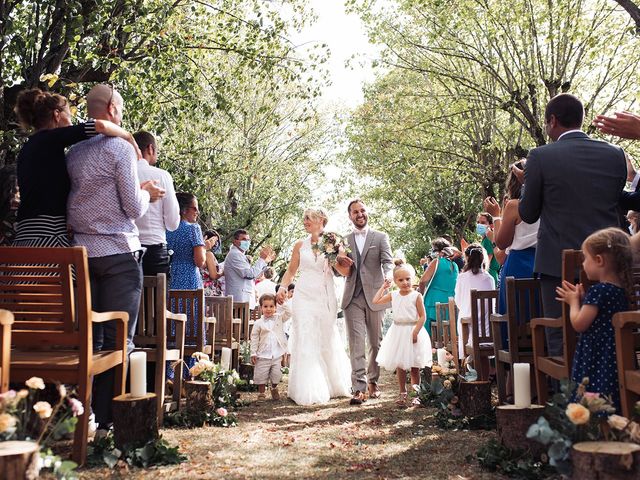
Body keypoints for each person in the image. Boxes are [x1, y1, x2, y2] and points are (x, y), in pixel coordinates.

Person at [66, 84, 164, 432]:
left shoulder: (74, 152)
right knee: (119, 338)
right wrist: (147, 193)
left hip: (82, 255)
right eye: (120, 108)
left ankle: (86, 416)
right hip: (120, 253)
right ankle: (109, 420)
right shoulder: (120, 150)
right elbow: (131, 207)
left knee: (91, 338)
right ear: (111, 109)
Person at [518, 93, 627, 357]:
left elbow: (528, 213)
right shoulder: (615, 154)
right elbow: (617, 202)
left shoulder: (540, 157)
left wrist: (528, 185)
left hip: (558, 265)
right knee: (610, 335)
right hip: (609, 264)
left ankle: (566, 397)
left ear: (552, 120)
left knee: (560, 337)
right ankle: (607, 394)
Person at [12, 88, 141, 248]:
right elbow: (99, 126)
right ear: (57, 115)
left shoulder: (27, 148)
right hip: (49, 235)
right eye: (69, 116)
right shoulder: (50, 138)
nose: (71, 123)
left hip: (24, 235)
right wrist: (128, 137)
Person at [276, 208, 352, 405]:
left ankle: (333, 385)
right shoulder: (300, 245)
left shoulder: (333, 242)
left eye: (309, 218)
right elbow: (291, 270)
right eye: (304, 218)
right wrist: (283, 287)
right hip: (303, 294)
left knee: (326, 335)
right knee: (306, 335)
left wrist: (336, 256)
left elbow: (344, 272)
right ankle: (307, 388)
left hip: (324, 293)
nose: (305, 221)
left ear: (321, 220)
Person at [555, 228, 632, 411]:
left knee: (593, 393)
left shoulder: (598, 291)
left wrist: (573, 302)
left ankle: (593, 431)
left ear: (599, 261)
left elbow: (580, 324)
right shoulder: (620, 290)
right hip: (614, 354)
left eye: (585, 259)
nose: (583, 264)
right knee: (609, 395)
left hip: (597, 355)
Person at [340, 199, 394, 404]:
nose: (359, 214)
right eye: (355, 212)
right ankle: (358, 388)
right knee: (356, 343)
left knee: (375, 342)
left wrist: (389, 275)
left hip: (376, 295)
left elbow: (388, 261)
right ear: (350, 216)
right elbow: (341, 271)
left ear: (367, 212)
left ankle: (373, 382)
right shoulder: (343, 241)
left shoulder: (380, 237)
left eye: (362, 210)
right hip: (352, 296)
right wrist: (339, 262)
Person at [484, 160, 539, 346]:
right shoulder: (552, 203)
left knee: (516, 322)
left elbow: (501, 243)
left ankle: (514, 361)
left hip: (519, 266)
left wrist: (497, 216)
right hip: (545, 263)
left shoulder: (514, 206)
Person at [373, 260, 431, 407]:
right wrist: (383, 287)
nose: (405, 282)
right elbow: (375, 301)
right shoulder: (393, 295)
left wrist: (415, 331)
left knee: (414, 365)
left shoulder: (416, 296)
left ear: (413, 278)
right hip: (398, 331)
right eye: (401, 280)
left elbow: (423, 316)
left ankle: (415, 394)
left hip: (412, 330)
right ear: (396, 282)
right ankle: (402, 392)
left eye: (408, 279)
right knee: (400, 364)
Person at [133, 131, 180, 277]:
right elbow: (173, 223)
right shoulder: (162, 176)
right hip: (154, 251)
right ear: (150, 148)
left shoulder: (122, 172)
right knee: (157, 299)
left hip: (126, 251)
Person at [454, 243, 495, 359]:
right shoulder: (489, 278)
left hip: (468, 328)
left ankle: (469, 370)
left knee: (463, 316)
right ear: (483, 259)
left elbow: (459, 302)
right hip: (487, 329)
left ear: (466, 258)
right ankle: (487, 376)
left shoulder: (462, 278)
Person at [250, 294, 290, 402]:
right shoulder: (258, 323)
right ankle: (261, 393)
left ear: (275, 307)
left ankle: (274, 387)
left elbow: (289, 313)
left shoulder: (279, 318)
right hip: (263, 354)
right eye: (266, 306)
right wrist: (253, 353)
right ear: (261, 308)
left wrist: (283, 303)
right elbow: (254, 338)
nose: (269, 309)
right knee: (261, 375)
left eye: (271, 306)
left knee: (276, 374)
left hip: (276, 354)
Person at [419, 237, 459, 333]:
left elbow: (422, 281)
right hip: (450, 303)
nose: (432, 252)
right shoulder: (455, 265)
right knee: (448, 334)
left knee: (431, 335)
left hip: (433, 302)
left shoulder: (436, 262)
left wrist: (421, 294)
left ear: (441, 251)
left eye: (433, 250)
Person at [223, 229, 275, 302]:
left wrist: (265, 261)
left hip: (243, 300)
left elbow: (256, 276)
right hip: (238, 301)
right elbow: (250, 274)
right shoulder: (235, 255)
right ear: (235, 241)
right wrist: (261, 259)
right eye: (244, 239)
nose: (247, 242)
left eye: (248, 240)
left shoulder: (240, 255)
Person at [476, 212, 501, 285]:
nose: (479, 224)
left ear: (491, 225)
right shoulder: (485, 239)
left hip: (488, 274)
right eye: (478, 222)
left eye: (483, 222)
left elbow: (487, 260)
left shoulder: (488, 240)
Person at [201, 230, 224, 296]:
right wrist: (222, 273)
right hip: (210, 290)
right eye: (216, 241)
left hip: (201, 287)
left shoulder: (199, 254)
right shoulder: (209, 254)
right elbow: (213, 276)